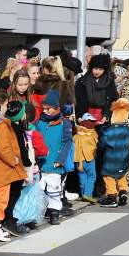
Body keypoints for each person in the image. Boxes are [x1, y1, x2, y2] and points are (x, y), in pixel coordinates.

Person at [0, 101, 32, 237]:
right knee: (3, 197)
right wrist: (15, 160)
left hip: (5, 167)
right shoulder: (5, 126)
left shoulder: (7, 125)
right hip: (5, 168)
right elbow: (6, 148)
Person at [33, 90, 73, 225]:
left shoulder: (64, 123)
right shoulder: (39, 123)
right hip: (40, 162)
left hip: (54, 162)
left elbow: (67, 143)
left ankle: (54, 212)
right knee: (39, 188)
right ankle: (40, 211)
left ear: (56, 108)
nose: (45, 111)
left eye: (48, 108)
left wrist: (60, 160)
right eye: (43, 108)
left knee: (54, 188)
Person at [97, 99, 129, 207]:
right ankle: (123, 192)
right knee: (121, 175)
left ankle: (112, 196)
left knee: (109, 177)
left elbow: (102, 144)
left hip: (110, 158)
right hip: (123, 157)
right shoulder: (128, 130)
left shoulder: (107, 131)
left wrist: (100, 150)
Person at [75, 53, 116, 123]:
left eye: (100, 69)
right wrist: (79, 116)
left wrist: (106, 116)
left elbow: (112, 101)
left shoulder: (109, 82)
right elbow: (79, 101)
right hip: (86, 116)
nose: (97, 72)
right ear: (91, 68)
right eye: (95, 68)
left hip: (103, 117)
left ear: (104, 70)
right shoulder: (82, 81)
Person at [73, 112, 99, 201]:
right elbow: (96, 145)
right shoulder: (92, 134)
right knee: (92, 176)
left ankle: (84, 194)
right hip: (89, 159)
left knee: (82, 176)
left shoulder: (76, 134)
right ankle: (87, 194)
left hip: (78, 159)